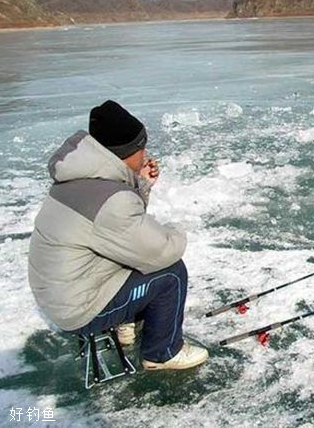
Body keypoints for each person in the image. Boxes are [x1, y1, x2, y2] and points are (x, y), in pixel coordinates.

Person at [28, 100, 208, 370]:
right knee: (171, 273)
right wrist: (178, 231)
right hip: (78, 309)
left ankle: (125, 322)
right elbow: (160, 250)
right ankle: (162, 353)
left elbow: (117, 231)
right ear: (124, 153)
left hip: (61, 292)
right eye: (140, 148)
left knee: (129, 254)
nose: (145, 155)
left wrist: (140, 184)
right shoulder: (111, 199)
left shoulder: (78, 179)